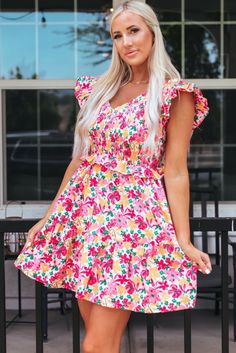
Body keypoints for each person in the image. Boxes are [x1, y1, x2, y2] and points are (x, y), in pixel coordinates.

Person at [14, 1, 212, 352]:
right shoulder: (98, 90)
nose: (126, 42)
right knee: (100, 341)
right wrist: (49, 217)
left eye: (133, 31)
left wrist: (183, 239)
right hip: (85, 219)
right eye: (117, 35)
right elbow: (80, 160)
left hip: (131, 224)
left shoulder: (173, 93)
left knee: (95, 345)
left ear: (152, 32)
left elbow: (176, 170)